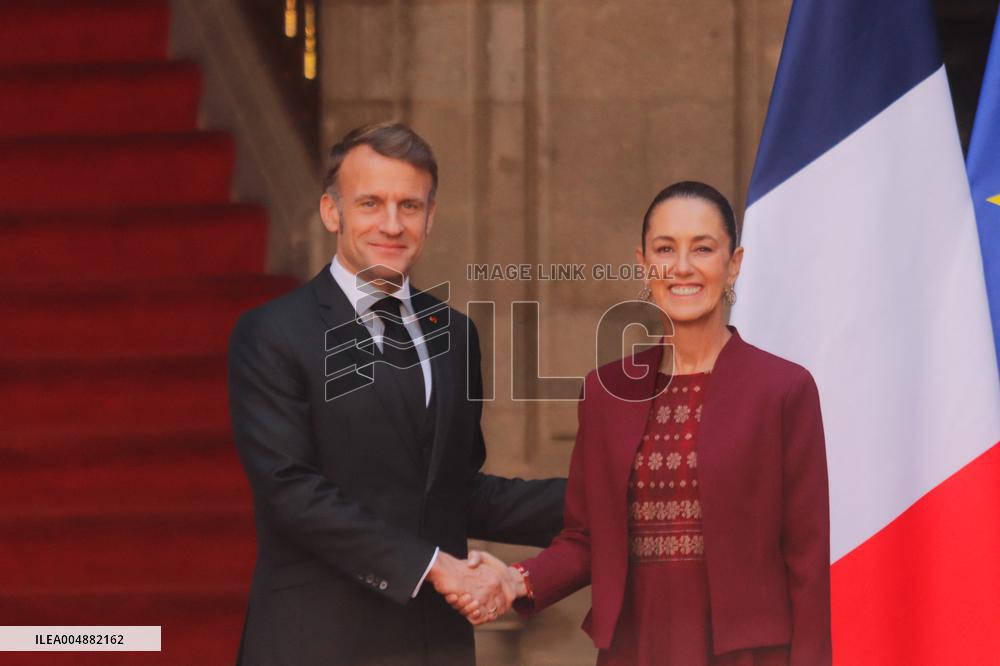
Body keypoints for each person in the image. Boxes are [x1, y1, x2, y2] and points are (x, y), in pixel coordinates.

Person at [227, 122, 566, 666]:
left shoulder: (454, 334)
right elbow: (290, 492)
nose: (391, 224)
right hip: (315, 644)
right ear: (332, 212)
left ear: (430, 218)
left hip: (434, 647)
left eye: (409, 206)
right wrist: (435, 566)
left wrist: (613, 492)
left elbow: (455, 490)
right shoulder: (272, 333)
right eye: (371, 203)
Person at [459, 181, 832, 665]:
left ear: (734, 262)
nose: (682, 266)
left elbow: (807, 563)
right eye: (665, 249)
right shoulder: (605, 391)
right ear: (643, 264)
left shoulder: (784, 389)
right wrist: (516, 580)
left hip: (749, 654)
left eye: (702, 248)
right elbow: (585, 537)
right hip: (635, 649)